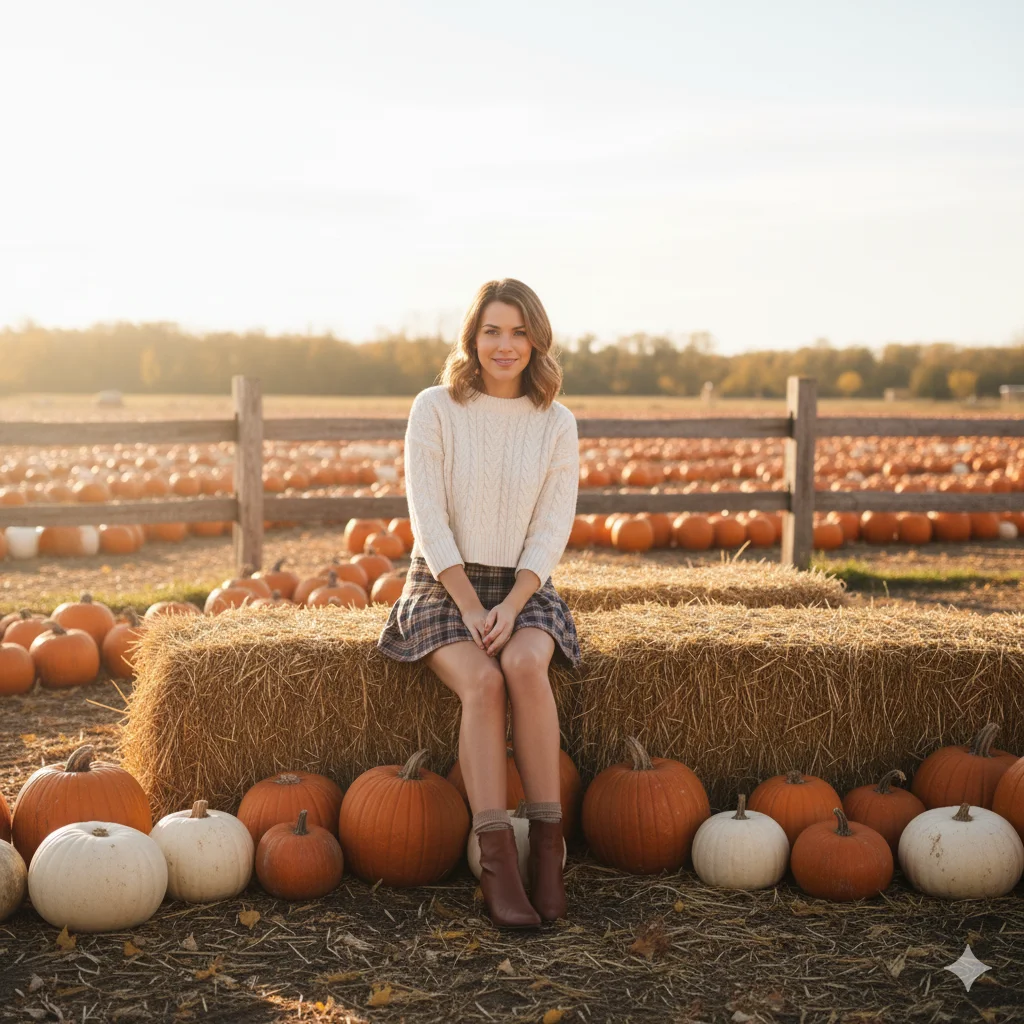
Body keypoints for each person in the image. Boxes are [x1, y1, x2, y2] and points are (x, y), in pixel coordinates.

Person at [377, 278, 582, 929]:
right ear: (473, 337)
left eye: (519, 332)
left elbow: (552, 528)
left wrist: (518, 600)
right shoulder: (435, 408)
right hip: (445, 584)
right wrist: (468, 605)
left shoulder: (557, 423)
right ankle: (497, 863)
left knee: (525, 665)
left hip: (525, 585)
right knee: (486, 683)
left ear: (536, 341)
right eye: (493, 330)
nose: (505, 345)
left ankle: (548, 857)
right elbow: (428, 520)